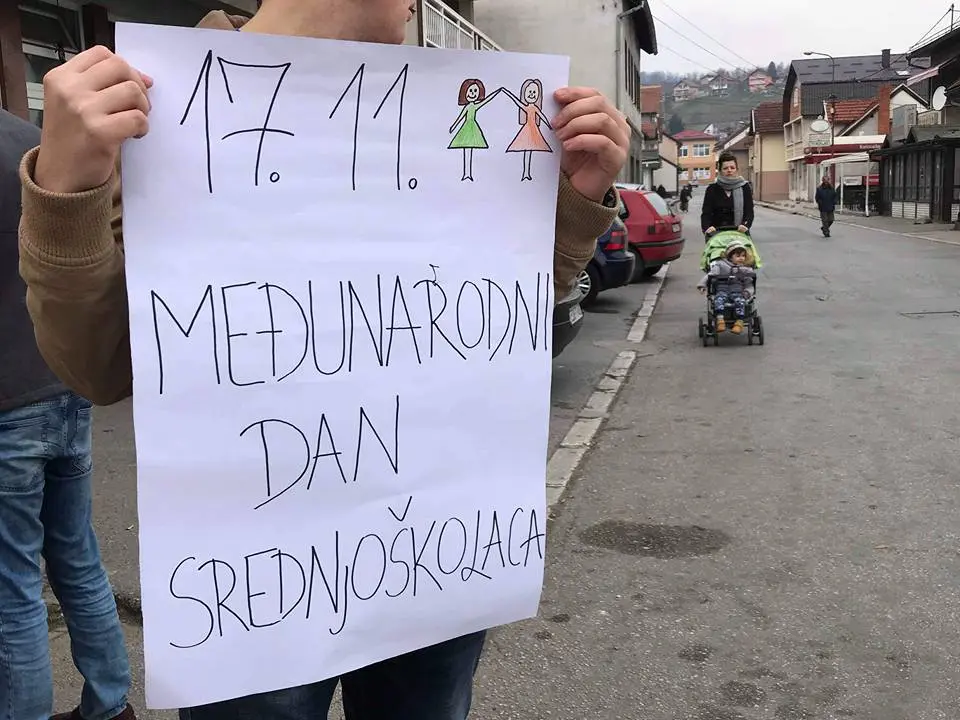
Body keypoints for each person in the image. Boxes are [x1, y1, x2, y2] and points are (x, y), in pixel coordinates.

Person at [16, 1, 630, 718]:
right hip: (257, 583)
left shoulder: (450, 115)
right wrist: (65, 190)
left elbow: (497, 322)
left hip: (430, 549)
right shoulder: (154, 103)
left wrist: (578, 199)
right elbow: (97, 369)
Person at [1, 108, 135, 720]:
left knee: (12, 586)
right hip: (63, 380)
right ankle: (110, 704)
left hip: (6, 405)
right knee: (76, 557)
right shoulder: (36, 143)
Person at [698, 241, 756, 335]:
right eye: (738, 256)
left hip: (738, 291)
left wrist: (747, 292)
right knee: (718, 300)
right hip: (722, 289)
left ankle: (739, 322)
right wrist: (702, 285)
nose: (741, 258)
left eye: (743, 256)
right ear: (730, 256)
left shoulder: (746, 269)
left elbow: (749, 283)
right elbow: (711, 275)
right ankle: (720, 320)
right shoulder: (721, 265)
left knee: (740, 302)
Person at [701, 151, 754, 239]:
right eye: (725, 168)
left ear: (736, 169)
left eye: (732, 168)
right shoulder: (712, 189)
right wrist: (707, 228)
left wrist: (746, 225)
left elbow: (749, 212)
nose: (729, 170)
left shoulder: (745, 187)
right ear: (720, 171)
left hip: (739, 233)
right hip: (716, 234)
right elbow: (706, 213)